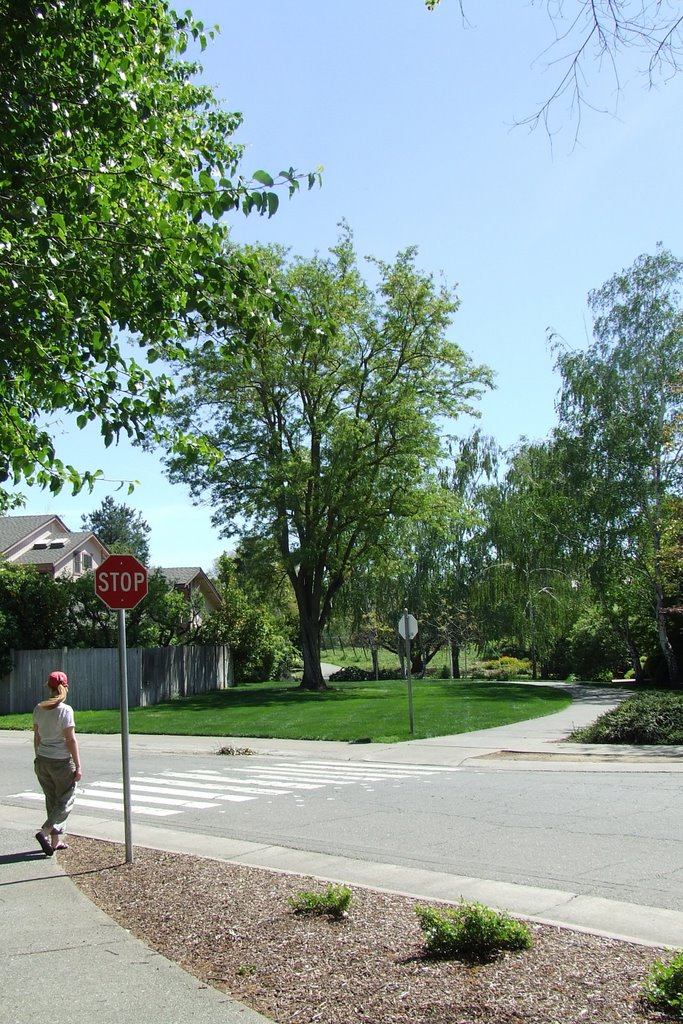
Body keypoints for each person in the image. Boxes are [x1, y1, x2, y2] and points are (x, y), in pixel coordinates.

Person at [32, 670, 82, 856]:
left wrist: (38, 757)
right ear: (65, 687)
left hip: (42, 760)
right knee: (66, 799)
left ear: (49, 687)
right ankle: (44, 832)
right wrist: (78, 765)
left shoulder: (39, 708)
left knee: (52, 800)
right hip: (60, 762)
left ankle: (55, 842)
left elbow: (37, 736)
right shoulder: (65, 710)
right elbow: (70, 740)